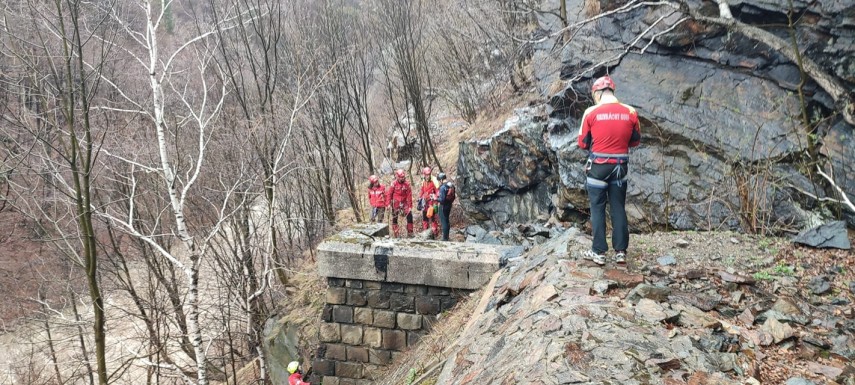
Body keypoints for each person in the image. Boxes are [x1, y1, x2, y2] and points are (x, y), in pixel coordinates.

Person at [577, 75, 641, 265]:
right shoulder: (630, 112)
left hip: (598, 166)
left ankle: (599, 252)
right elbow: (636, 140)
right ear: (612, 91)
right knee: (618, 207)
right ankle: (620, 251)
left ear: (597, 93)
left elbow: (582, 142)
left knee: (597, 208)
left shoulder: (591, 112)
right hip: (620, 166)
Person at [387, 169, 414, 238]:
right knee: (395, 218)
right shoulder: (393, 184)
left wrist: (410, 206)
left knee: (409, 216)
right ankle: (396, 233)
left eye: (403, 177)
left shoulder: (407, 184)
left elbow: (409, 195)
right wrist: (388, 204)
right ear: (398, 177)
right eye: (401, 177)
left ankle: (410, 233)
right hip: (396, 203)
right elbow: (389, 194)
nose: (402, 178)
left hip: (405, 203)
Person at [417, 166, 440, 238]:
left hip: (431, 203)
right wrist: (420, 198)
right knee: (425, 219)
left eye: (429, 174)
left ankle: (434, 233)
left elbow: (438, 192)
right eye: (426, 175)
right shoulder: (423, 181)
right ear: (424, 175)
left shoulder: (434, 181)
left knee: (433, 219)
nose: (428, 176)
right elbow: (422, 190)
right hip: (425, 203)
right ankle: (425, 233)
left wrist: (435, 203)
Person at [437, 172, 456, 241]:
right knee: (447, 220)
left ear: (441, 180)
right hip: (449, 205)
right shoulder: (451, 185)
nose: (439, 182)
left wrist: (435, 198)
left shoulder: (442, 187)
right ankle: (447, 236)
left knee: (444, 221)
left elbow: (441, 200)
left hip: (443, 206)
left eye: (439, 180)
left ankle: (445, 238)